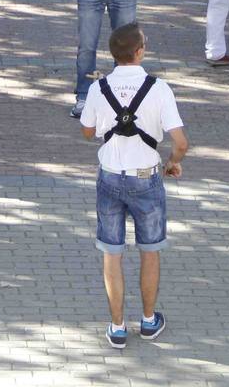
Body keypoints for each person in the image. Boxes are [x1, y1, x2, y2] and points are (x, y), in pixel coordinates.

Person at [79, 23, 187, 348]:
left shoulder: (99, 88)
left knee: (112, 254)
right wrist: (172, 161)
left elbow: (87, 132)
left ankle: (117, 326)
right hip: (146, 178)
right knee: (149, 251)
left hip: (110, 175)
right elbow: (181, 141)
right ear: (139, 51)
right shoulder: (159, 88)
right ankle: (150, 319)